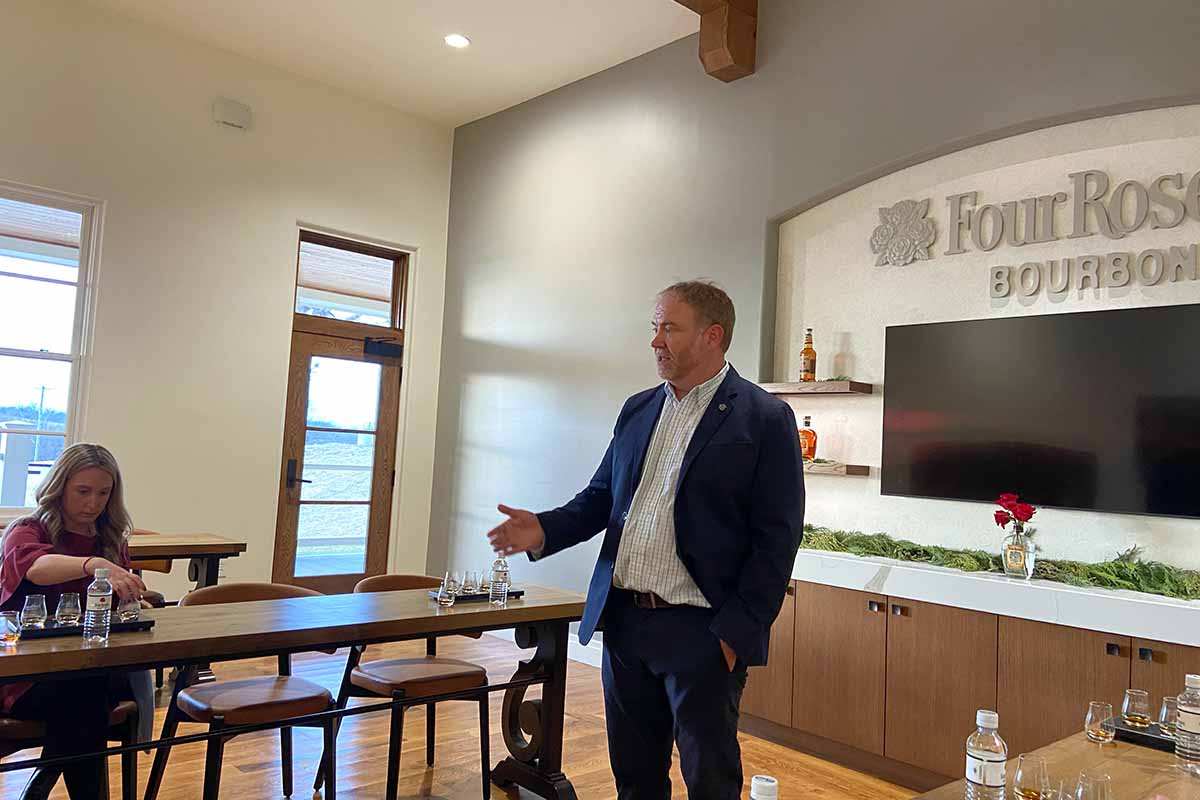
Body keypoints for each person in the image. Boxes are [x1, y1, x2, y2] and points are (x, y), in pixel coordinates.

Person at [487, 280, 805, 800]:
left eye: (669, 328)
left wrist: (733, 637)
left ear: (712, 336)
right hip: (626, 625)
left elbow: (778, 540)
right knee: (634, 780)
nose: (655, 340)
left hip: (702, 634)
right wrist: (543, 527)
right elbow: (600, 499)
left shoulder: (765, 419)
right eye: (654, 327)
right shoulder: (637, 410)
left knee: (711, 782)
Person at [1, 443, 146, 800]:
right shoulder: (28, 530)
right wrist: (95, 565)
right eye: (83, 491)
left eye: (103, 493)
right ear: (60, 487)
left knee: (88, 689)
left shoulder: (110, 539)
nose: (93, 503)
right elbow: (36, 568)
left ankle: (43, 782)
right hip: (27, 674)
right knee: (84, 698)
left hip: (91, 665)